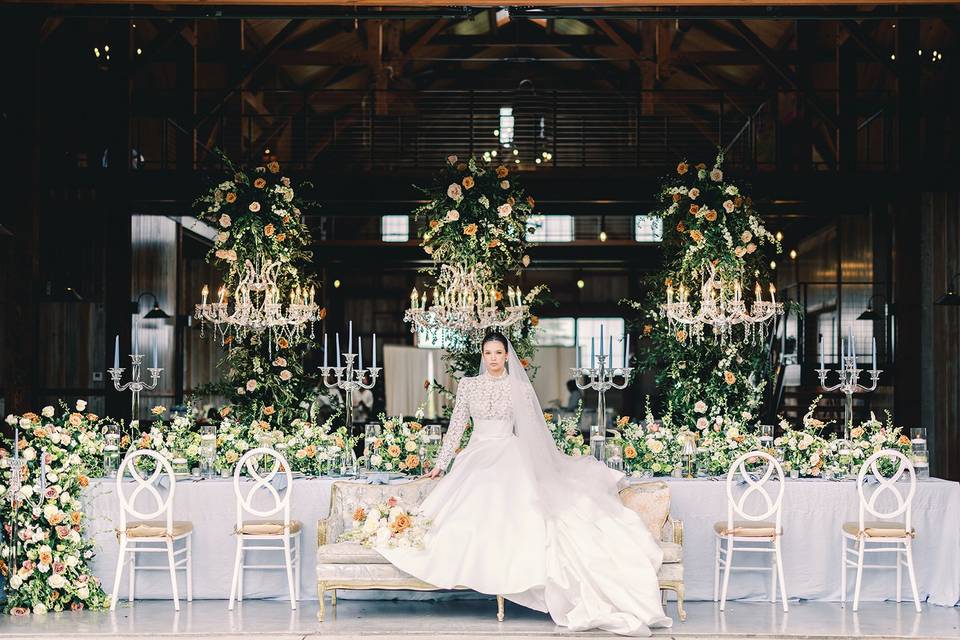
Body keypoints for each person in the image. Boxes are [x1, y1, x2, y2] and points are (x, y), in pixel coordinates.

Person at [376, 331, 671, 636]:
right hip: (475, 454)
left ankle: (514, 574)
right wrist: (440, 463)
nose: (493, 358)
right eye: (488, 352)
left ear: (507, 355)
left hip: (509, 452)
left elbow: (532, 431)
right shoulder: (468, 385)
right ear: (482, 354)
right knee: (461, 501)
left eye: (498, 353)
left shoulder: (520, 388)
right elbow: (458, 425)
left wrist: (542, 468)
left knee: (512, 499)